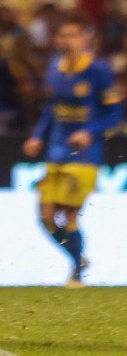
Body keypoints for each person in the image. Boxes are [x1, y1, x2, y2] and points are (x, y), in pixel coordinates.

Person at [23, 17, 123, 287]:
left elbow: (115, 113)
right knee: (45, 216)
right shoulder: (54, 68)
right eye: (62, 36)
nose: (67, 41)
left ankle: (77, 275)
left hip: (85, 157)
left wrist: (90, 132)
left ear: (84, 39)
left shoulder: (99, 71)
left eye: (73, 35)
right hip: (56, 152)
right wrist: (37, 136)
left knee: (68, 214)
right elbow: (50, 109)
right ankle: (77, 258)